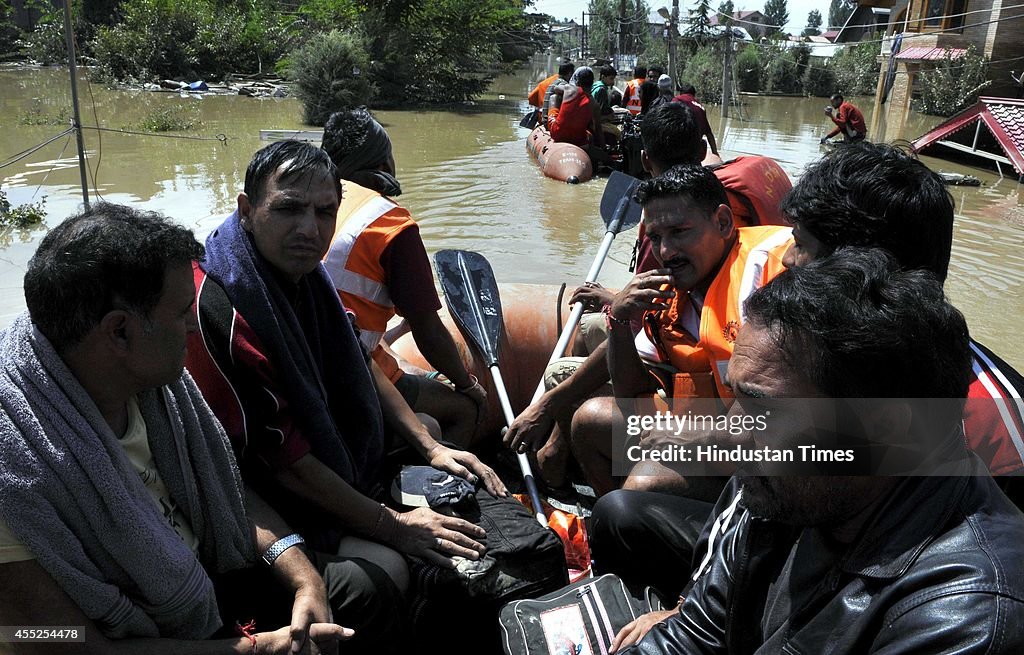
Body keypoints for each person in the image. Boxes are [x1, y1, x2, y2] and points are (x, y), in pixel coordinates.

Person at [615, 248, 1024, 654]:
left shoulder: (968, 619)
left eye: (765, 409)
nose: (733, 435)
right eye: (737, 400)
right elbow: (696, 634)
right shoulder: (781, 489)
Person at [185, 141, 508, 646]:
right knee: (386, 567)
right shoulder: (226, 309)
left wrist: (430, 447)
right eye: (288, 209)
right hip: (256, 499)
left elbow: (358, 361)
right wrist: (396, 526)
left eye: (323, 212)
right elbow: (284, 463)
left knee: (437, 431)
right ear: (247, 211)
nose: (309, 229)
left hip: (320, 455)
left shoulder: (307, 279)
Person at [0, 203, 354, 654]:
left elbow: (227, 494)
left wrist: (306, 584)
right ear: (120, 333)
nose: (193, 324)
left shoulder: (155, 390)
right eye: (183, 310)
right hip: (145, 635)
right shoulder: (15, 470)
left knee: (369, 587)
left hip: (215, 589)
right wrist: (255, 649)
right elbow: (46, 640)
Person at [506, 164, 792, 495]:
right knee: (589, 421)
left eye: (680, 232)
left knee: (645, 482)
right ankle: (619, 523)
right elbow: (630, 396)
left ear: (724, 222)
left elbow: (771, 421)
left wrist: (694, 438)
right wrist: (619, 319)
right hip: (712, 425)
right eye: (655, 238)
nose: (666, 252)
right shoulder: (671, 289)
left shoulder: (767, 269)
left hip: (769, 449)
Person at [780, 142, 1024, 479]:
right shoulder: (812, 351)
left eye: (801, 244)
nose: (787, 260)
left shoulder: (986, 424)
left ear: (863, 270)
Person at [320, 107, 487, 449]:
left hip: (306, 356)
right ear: (384, 166)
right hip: (345, 373)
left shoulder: (306, 202)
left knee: (408, 369)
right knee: (464, 410)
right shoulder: (391, 223)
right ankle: (447, 489)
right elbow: (428, 330)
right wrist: (467, 384)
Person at [550, 66, 606, 153]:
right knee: (590, 136)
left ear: (578, 81)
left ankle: (546, 122)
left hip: (557, 133)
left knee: (554, 97)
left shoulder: (569, 88)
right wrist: (604, 147)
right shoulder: (594, 104)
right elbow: (598, 129)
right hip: (578, 140)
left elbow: (556, 88)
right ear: (592, 83)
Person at [672, 83, 718, 156]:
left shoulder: (677, 100)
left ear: (680, 93)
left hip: (680, 144)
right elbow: (709, 134)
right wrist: (715, 153)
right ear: (694, 95)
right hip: (695, 148)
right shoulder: (700, 107)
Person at [592, 64, 620, 143]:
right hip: (598, 122)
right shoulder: (602, 90)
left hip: (592, 120)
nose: (613, 82)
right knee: (618, 133)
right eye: (611, 79)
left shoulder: (595, 85)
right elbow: (600, 112)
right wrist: (609, 115)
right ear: (603, 77)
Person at [542, 62, 576, 126]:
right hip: (551, 122)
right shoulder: (563, 84)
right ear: (570, 73)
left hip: (545, 120)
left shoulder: (555, 82)